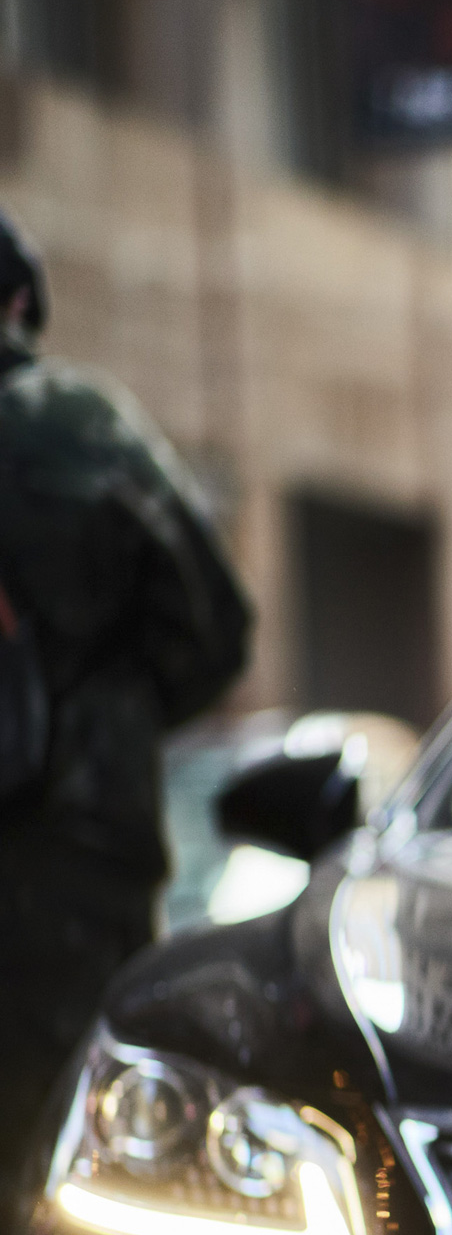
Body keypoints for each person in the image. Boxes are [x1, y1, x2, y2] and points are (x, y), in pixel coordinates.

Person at [0, 209, 251, 1184]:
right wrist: (111, 709)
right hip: (77, 859)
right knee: (81, 1150)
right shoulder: (80, 422)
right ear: (21, 302)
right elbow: (217, 626)